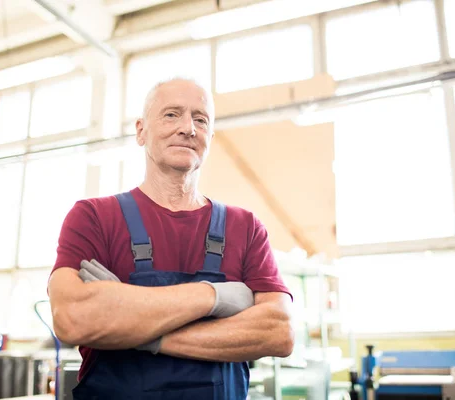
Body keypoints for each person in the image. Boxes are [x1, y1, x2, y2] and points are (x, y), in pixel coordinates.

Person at [48, 77, 294, 399]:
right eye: (171, 114)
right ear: (141, 130)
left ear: (209, 136)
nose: (188, 128)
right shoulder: (94, 217)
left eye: (200, 119)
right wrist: (215, 297)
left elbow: (278, 332)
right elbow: (72, 319)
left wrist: (139, 330)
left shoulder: (245, 227)